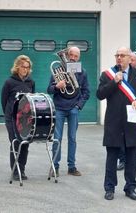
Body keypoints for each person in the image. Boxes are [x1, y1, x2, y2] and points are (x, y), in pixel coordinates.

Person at [96, 47, 136, 201]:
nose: (119, 58)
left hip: (132, 122)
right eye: (117, 55)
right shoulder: (107, 74)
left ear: (130, 58)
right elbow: (100, 94)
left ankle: (130, 188)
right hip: (113, 122)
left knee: (131, 158)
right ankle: (109, 188)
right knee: (112, 157)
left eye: (122, 55)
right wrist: (114, 82)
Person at [47, 46, 90, 177]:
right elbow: (49, 89)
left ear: (79, 58)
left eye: (75, 56)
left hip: (73, 109)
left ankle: (72, 167)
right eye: (70, 54)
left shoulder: (82, 72)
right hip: (59, 108)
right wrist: (57, 86)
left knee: (72, 138)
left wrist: (78, 106)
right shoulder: (58, 69)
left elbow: (86, 92)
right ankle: (55, 167)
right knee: (57, 139)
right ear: (66, 55)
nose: (72, 57)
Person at [1, 55, 35, 181]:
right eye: (23, 67)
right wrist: (9, 115)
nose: (25, 70)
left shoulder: (31, 82)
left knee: (25, 144)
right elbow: (4, 101)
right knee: (15, 143)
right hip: (11, 118)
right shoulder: (9, 82)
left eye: (27, 67)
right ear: (17, 67)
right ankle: (15, 171)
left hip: (25, 119)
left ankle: (22, 169)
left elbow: (31, 101)